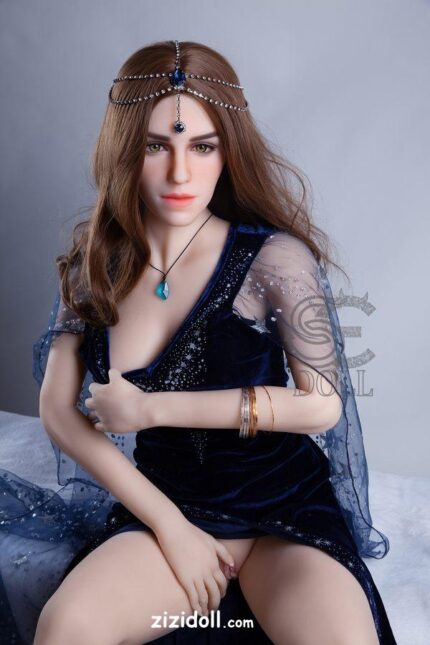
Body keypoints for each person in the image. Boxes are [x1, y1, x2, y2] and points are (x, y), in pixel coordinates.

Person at [0, 40, 397, 644]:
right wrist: (172, 528)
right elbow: (58, 412)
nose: (180, 173)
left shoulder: (274, 260)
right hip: (167, 506)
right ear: (124, 150)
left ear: (227, 152)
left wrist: (152, 409)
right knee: (67, 628)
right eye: (156, 146)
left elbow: (321, 404)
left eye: (202, 147)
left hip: (282, 511)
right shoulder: (94, 266)